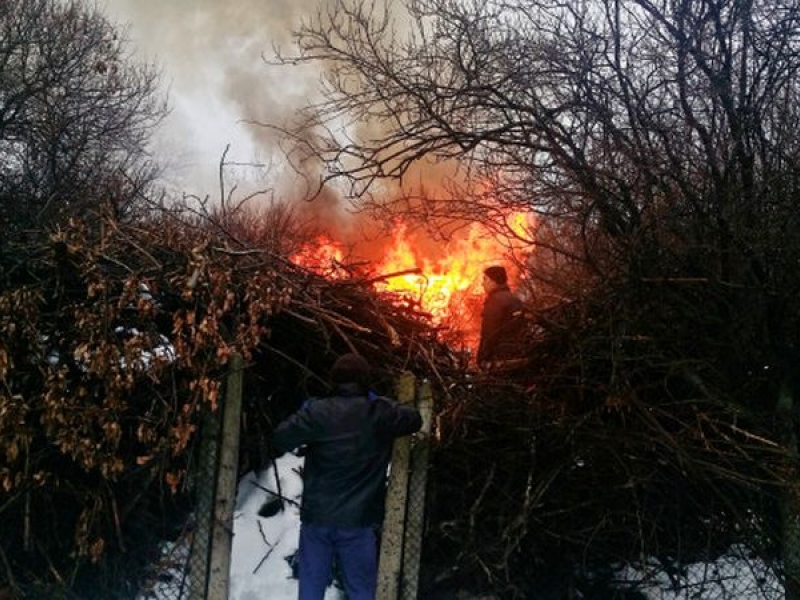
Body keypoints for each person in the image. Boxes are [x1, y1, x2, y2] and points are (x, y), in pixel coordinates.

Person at [272, 353, 422, 600]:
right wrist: (379, 402)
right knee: (361, 591)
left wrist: (308, 411)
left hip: (317, 520)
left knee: (310, 592)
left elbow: (281, 437)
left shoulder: (317, 412)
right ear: (365, 380)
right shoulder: (378, 412)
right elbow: (414, 419)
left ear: (334, 380)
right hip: (358, 522)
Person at [476, 265, 525, 370]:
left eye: (485, 279)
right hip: (517, 355)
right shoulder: (515, 299)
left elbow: (489, 333)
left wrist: (482, 358)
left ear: (493, 281)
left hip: (499, 358)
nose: (482, 283)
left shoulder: (495, 301)